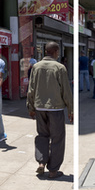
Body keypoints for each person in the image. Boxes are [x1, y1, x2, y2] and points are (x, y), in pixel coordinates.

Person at [27, 41, 73, 179]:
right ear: (56, 52)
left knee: (42, 136)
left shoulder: (36, 66)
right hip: (56, 109)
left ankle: (41, 162)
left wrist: (30, 107)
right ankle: (53, 170)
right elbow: (66, 91)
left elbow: (31, 89)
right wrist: (71, 110)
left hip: (40, 107)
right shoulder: (60, 68)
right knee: (57, 139)